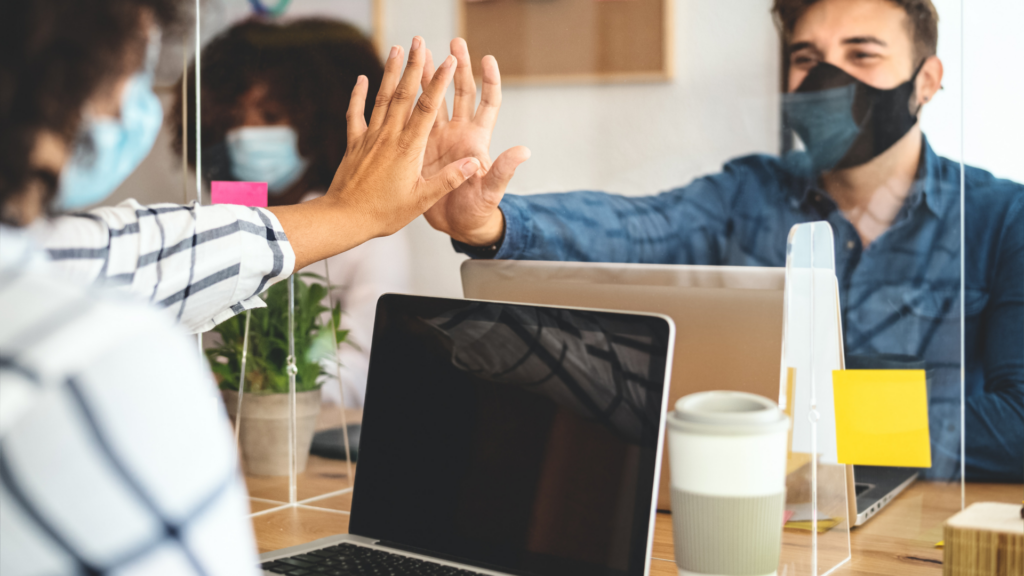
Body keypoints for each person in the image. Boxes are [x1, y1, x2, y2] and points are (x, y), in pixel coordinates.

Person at [427, 0, 1023, 482]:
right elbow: (637, 227)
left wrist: (809, 416)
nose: (826, 78)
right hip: (748, 499)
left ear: (927, 80)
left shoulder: (1004, 218)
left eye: (861, 53)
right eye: (806, 57)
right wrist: (492, 222)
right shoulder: (748, 191)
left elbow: (1016, 425)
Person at [0, 0, 499, 571]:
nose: (141, 100)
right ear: (70, 76)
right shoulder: (102, 354)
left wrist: (350, 214)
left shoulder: (74, 292)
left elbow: (119, 252)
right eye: (138, 64)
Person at [172, 18, 409, 407]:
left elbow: (367, 363)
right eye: (233, 119)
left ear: (318, 121)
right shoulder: (214, 215)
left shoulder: (370, 230)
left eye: (269, 117)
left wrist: (266, 389)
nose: (245, 134)